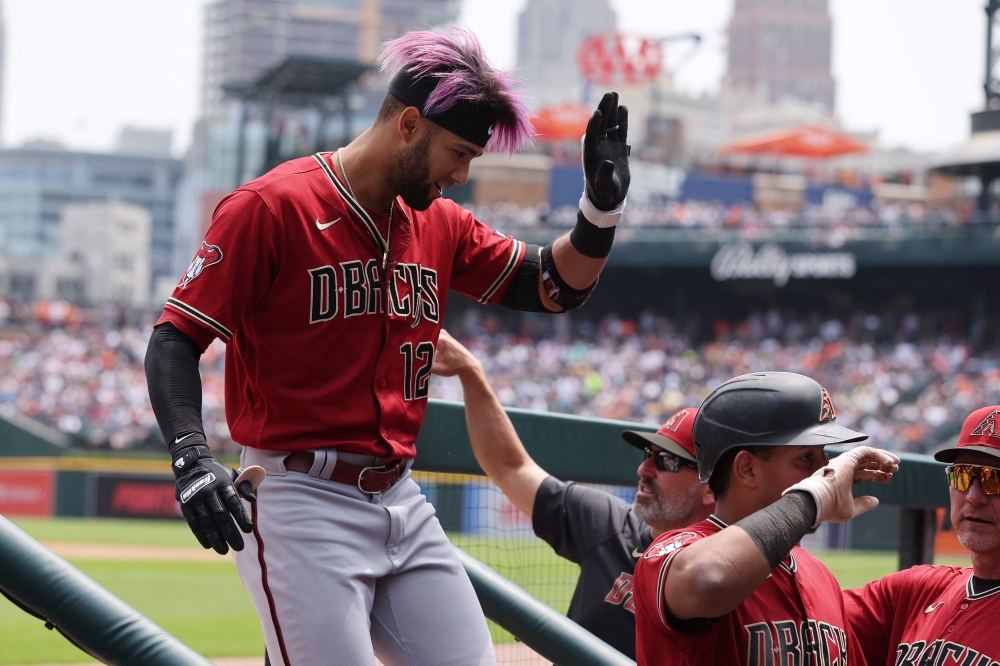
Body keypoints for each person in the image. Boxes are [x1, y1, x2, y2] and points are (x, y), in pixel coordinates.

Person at [142, 28, 631, 666]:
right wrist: (190, 457)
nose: (461, 175)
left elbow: (552, 287)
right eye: (457, 152)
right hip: (300, 499)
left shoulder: (438, 222)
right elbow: (175, 337)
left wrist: (599, 211)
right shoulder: (271, 207)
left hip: (400, 496)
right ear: (408, 124)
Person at [430, 329, 715, 659]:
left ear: (709, 489)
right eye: (646, 455)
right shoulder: (608, 525)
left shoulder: (735, 572)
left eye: (665, 461)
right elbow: (510, 468)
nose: (643, 470)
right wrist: (471, 372)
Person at [631, 371, 900, 666]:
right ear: (747, 469)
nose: (825, 471)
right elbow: (708, 581)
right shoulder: (675, 550)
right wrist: (811, 501)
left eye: (824, 455)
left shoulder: (817, 573)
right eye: (807, 457)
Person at [844, 405, 1000, 666]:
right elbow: (797, 618)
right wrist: (807, 508)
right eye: (963, 476)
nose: (974, 497)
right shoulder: (916, 591)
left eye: (994, 480)